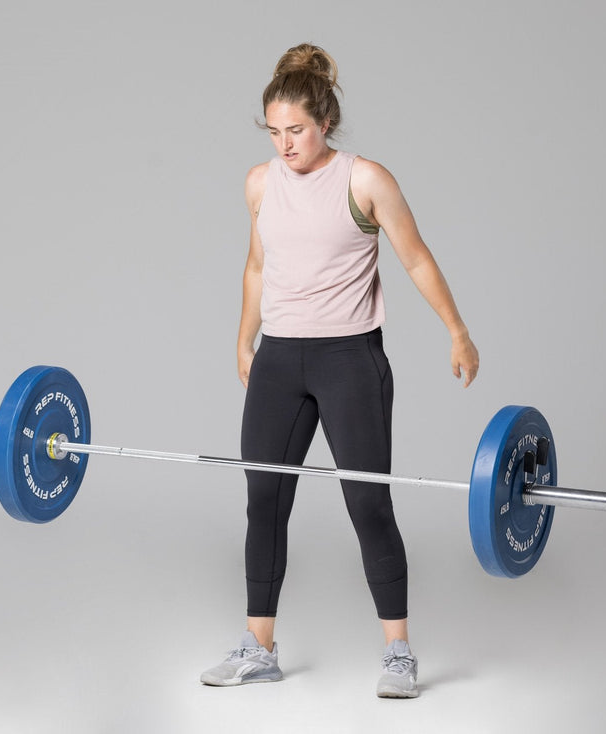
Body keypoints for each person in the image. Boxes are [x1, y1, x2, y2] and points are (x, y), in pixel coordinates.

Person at [199, 43, 480, 698]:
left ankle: (399, 653)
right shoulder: (260, 183)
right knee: (263, 502)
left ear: (324, 120)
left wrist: (458, 332)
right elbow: (257, 267)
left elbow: (415, 260)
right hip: (280, 361)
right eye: (274, 131)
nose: (285, 143)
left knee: (368, 503)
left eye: (295, 129)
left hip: (349, 359)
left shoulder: (365, 180)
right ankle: (258, 647)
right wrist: (245, 341)